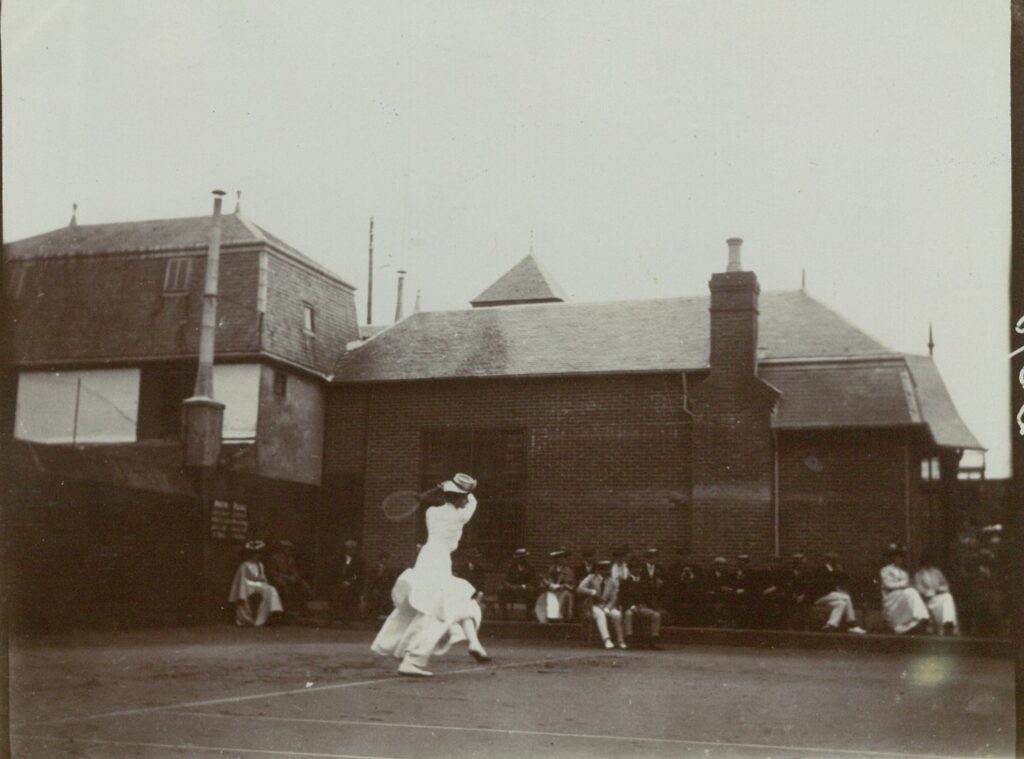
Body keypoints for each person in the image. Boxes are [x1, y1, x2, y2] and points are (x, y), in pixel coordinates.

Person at [371, 474, 490, 677]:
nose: (464, 500)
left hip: (427, 558)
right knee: (438, 611)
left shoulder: (431, 512)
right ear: (457, 497)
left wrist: (440, 489)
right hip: (438, 561)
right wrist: (446, 489)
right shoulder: (461, 516)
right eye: (462, 497)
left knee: (450, 602)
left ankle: (474, 643)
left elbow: (461, 498)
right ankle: (413, 659)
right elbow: (473, 499)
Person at [228, 540, 284, 627]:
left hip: (258, 585)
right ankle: (246, 619)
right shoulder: (244, 565)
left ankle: (274, 611)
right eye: (255, 554)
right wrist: (242, 593)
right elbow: (241, 580)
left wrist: (263, 582)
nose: (257, 556)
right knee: (244, 598)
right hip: (247, 586)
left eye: (258, 554)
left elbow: (263, 577)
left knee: (271, 589)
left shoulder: (260, 565)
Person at [879, 544, 930, 634]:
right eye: (897, 557)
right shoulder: (885, 570)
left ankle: (918, 619)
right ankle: (922, 616)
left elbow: (907, 584)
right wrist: (903, 584)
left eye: (901, 558)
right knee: (911, 591)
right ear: (893, 558)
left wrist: (904, 585)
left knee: (911, 592)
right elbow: (888, 585)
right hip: (890, 597)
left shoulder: (904, 573)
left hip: (901, 595)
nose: (899, 560)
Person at [812, 552, 866, 634]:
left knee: (841, 603)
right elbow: (823, 586)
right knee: (846, 597)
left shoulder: (833, 570)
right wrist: (837, 590)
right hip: (819, 596)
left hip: (828, 596)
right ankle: (852, 625)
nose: (838, 563)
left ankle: (830, 625)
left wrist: (841, 571)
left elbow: (846, 580)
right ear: (830, 561)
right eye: (836, 561)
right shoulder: (821, 569)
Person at [577, 560, 627, 649]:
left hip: (606, 605)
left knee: (617, 615)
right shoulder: (591, 578)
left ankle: (621, 641)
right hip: (592, 605)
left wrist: (608, 608)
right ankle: (606, 640)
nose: (606, 572)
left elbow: (614, 597)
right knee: (600, 614)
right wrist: (591, 591)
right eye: (603, 569)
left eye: (607, 570)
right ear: (598, 570)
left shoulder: (612, 581)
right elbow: (580, 589)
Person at [914, 551, 958, 635]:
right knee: (942, 598)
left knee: (947, 597)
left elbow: (946, 585)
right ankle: (940, 624)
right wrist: (931, 592)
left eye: (930, 560)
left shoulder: (937, 572)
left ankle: (948, 622)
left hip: (938, 597)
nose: (928, 562)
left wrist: (939, 589)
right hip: (927, 600)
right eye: (926, 560)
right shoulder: (919, 574)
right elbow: (920, 590)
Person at [621, 558, 663, 649]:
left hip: (643, 606)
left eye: (637, 568)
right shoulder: (625, 582)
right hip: (631, 607)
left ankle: (654, 639)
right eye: (633, 568)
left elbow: (650, 595)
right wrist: (632, 606)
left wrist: (648, 605)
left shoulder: (645, 582)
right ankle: (629, 638)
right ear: (629, 570)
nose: (636, 570)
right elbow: (623, 598)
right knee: (628, 614)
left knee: (656, 615)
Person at [266, 540, 310, 616]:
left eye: (289, 549)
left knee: (302, 586)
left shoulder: (290, 558)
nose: (288, 550)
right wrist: (286, 577)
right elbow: (272, 572)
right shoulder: (275, 557)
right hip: (277, 577)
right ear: (282, 549)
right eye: (286, 548)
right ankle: (283, 610)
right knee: (282, 586)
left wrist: (295, 577)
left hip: (288, 578)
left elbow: (293, 570)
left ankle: (303, 609)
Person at [536, 549, 575, 623]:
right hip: (551, 590)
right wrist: (550, 584)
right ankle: (546, 617)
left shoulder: (568, 570)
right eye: (559, 557)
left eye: (563, 557)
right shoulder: (551, 569)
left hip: (563, 591)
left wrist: (559, 586)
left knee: (565, 595)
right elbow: (547, 579)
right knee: (545, 596)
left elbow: (570, 583)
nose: (562, 559)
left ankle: (561, 617)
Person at [499, 548, 538, 620]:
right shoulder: (511, 567)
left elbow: (534, 580)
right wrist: (512, 587)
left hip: (525, 591)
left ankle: (529, 614)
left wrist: (525, 586)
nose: (522, 560)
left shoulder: (531, 568)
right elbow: (505, 580)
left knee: (532, 591)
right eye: (520, 558)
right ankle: (504, 615)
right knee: (501, 591)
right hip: (513, 591)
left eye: (524, 558)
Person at [332, 539, 365, 622]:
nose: (350, 551)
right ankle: (335, 616)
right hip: (339, 582)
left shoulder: (359, 560)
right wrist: (341, 581)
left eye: (352, 549)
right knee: (335, 594)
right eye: (348, 549)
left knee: (350, 596)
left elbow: (359, 573)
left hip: (353, 583)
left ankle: (348, 618)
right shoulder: (339, 559)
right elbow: (334, 571)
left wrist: (349, 581)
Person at [364, 551, 398, 620]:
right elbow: (370, 580)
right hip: (375, 591)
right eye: (384, 559)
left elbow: (393, 580)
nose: (385, 561)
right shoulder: (374, 568)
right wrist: (379, 574)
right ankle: (373, 619)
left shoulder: (390, 569)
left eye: (387, 559)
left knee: (386, 607)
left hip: (386, 591)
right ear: (381, 559)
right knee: (375, 606)